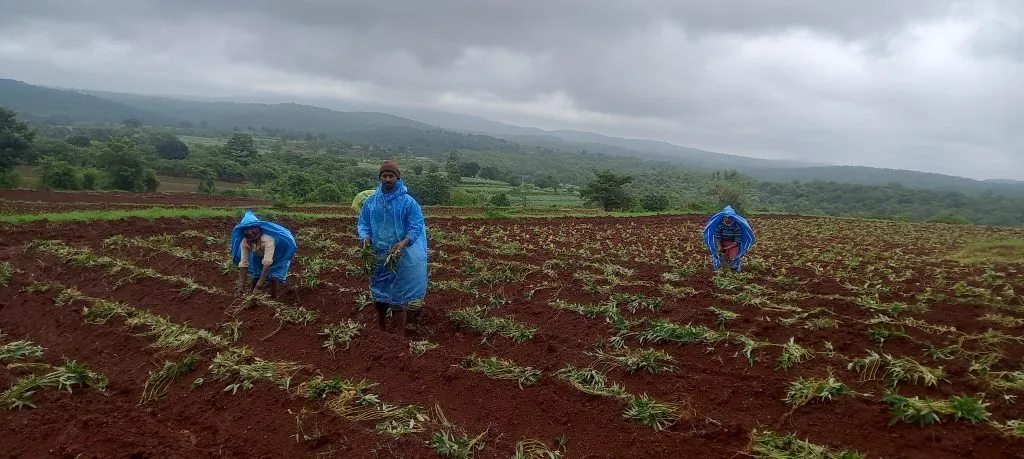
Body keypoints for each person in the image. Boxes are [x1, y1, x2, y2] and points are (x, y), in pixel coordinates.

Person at [356, 160, 428, 337]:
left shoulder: (408, 203)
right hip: (378, 255)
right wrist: (365, 238)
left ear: (397, 178)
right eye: (384, 176)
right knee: (379, 295)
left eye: (391, 176)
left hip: (400, 256)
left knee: (399, 298)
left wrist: (403, 243)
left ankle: (399, 336)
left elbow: (415, 225)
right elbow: (364, 223)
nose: (388, 179)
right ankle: (381, 331)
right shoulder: (371, 202)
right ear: (380, 178)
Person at [231, 210, 297, 298]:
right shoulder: (245, 242)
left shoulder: (268, 240)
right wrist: (241, 286)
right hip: (258, 257)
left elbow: (267, 263)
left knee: (274, 279)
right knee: (255, 279)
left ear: (258, 228)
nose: (249, 232)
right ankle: (254, 299)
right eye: (246, 229)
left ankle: (274, 298)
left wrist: (259, 285)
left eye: (252, 228)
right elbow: (244, 264)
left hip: (277, 255)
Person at [703, 205, 755, 272]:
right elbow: (717, 237)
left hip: (733, 244)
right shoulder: (720, 225)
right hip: (721, 242)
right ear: (724, 217)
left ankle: (734, 269)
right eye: (726, 217)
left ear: (733, 218)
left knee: (734, 256)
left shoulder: (736, 227)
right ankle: (719, 268)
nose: (728, 219)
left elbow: (737, 241)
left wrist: (728, 248)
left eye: (730, 217)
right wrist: (719, 247)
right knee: (718, 254)